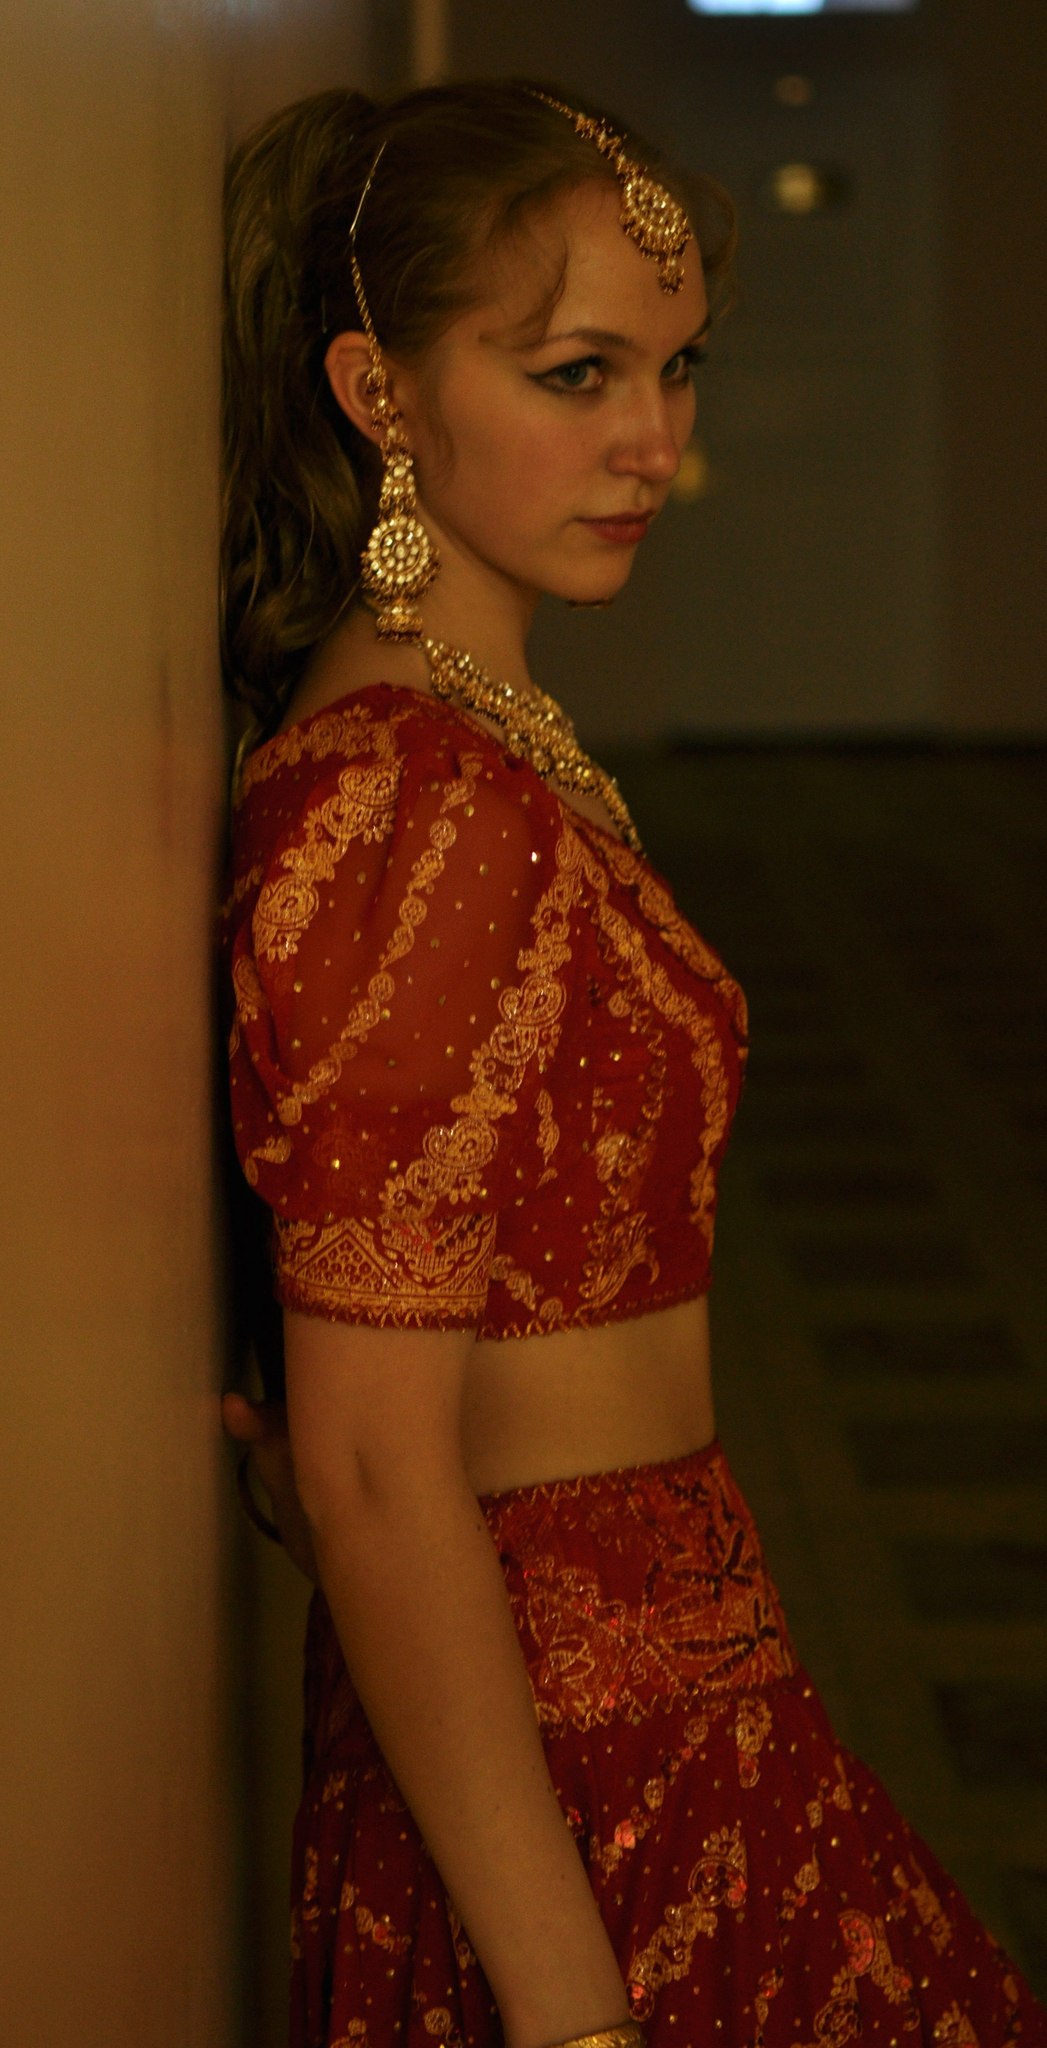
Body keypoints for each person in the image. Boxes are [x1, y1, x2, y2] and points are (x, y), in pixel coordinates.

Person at [218, 79, 1046, 2048]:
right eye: (575, 373)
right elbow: (367, 1463)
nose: (653, 445)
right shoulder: (405, 796)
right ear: (378, 390)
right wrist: (579, 2020)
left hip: (677, 1683)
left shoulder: (481, 731)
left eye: (675, 372)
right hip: (579, 1757)